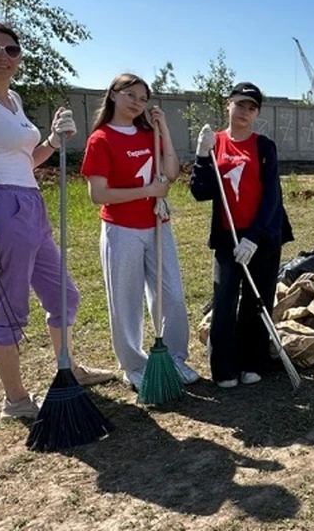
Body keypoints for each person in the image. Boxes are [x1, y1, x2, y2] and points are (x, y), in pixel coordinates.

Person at [0, 19, 115, 420]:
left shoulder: (15, 100)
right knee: (10, 309)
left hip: (31, 204)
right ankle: (16, 400)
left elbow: (28, 158)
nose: (3, 57)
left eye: (11, 49)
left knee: (65, 295)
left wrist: (55, 142)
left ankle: (70, 366)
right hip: (2, 205)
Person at [80, 73, 199, 390]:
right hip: (121, 230)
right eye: (130, 95)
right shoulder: (101, 139)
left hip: (158, 226)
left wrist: (163, 130)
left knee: (171, 294)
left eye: (143, 98)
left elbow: (171, 173)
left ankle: (175, 358)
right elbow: (99, 194)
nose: (137, 103)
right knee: (125, 299)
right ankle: (133, 365)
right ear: (114, 95)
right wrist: (147, 190)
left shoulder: (149, 135)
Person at [190, 82, 294, 388]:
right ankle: (223, 367)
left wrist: (255, 237)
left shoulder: (264, 147)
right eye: (240, 105)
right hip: (227, 236)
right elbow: (200, 191)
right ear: (228, 105)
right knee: (224, 298)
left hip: (262, 235)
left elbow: (272, 197)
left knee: (257, 298)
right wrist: (202, 157)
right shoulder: (215, 143)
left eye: (251, 108)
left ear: (257, 113)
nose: (244, 112)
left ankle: (253, 361)